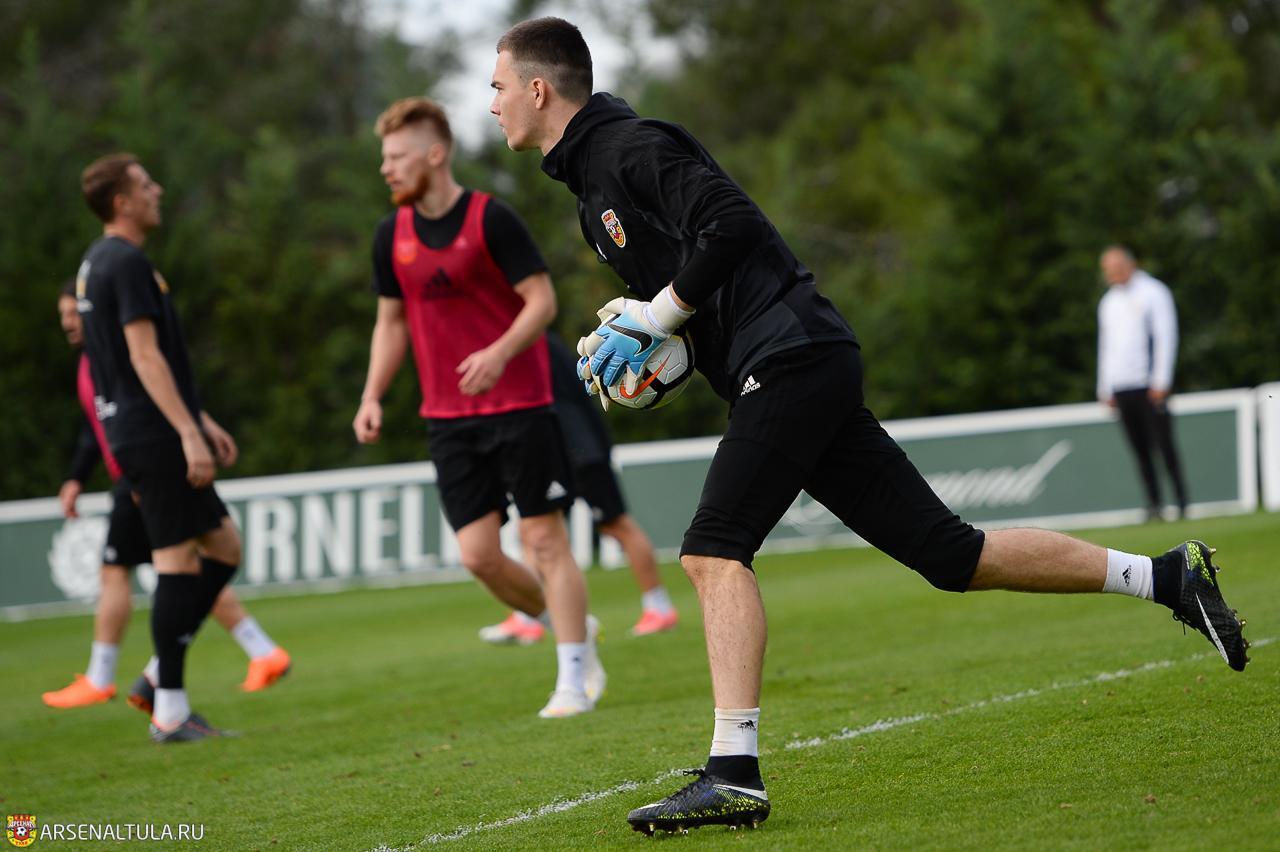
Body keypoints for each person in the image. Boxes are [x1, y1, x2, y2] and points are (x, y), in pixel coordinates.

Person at [490, 17, 1250, 834]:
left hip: (792, 357)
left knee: (712, 550)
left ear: (539, 89)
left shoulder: (628, 147)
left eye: (497, 87)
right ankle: (1167, 576)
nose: (491, 104)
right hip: (794, 360)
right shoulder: (589, 193)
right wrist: (652, 346)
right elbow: (690, 297)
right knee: (951, 555)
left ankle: (734, 773)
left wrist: (659, 313)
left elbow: (733, 224)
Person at [351, 97, 604, 718]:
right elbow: (390, 323)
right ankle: (574, 626)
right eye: (384, 157)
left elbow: (541, 302)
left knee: (543, 539)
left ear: (435, 155)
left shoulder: (492, 219)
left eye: (397, 156)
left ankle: (574, 677)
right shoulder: (391, 236)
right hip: (447, 419)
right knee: (478, 556)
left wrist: (498, 353)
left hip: (521, 404)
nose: (386, 168)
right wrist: (372, 395)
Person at [42, 283, 291, 711]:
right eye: (63, 315)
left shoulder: (118, 353)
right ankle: (254, 653)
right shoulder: (94, 361)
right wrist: (76, 477)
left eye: (74, 313)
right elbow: (96, 425)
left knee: (159, 569)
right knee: (190, 566)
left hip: (145, 470)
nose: (68, 323)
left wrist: (196, 429)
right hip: (139, 470)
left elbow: (158, 389)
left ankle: (126, 681)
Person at [75, 153, 251, 742]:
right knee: (177, 562)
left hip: (142, 428)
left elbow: (133, 366)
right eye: (146, 185)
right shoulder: (125, 262)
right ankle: (170, 710)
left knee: (224, 548)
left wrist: (199, 418)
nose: (159, 191)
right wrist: (187, 432)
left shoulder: (96, 261)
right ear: (122, 202)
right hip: (152, 434)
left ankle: (158, 675)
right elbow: (144, 357)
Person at [479, 331, 678, 644]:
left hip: (577, 448)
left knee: (616, 525)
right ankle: (527, 617)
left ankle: (659, 608)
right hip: (568, 447)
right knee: (533, 531)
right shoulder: (538, 341)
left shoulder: (529, 343)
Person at [1097, 246, 1188, 521]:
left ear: (1129, 265)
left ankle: (1181, 502)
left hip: (1148, 384)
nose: (1111, 274)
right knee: (1139, 450)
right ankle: (1154, 504)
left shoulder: (1154, 292)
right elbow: (1106, 346)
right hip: (1121, 385)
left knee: (1164, 444)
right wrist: (1105, 386)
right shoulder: (1108, 302)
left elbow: (1165, 336)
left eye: (1115, 268)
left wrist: (1161, 379)